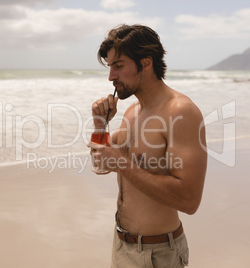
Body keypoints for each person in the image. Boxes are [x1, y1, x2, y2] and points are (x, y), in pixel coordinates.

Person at [88, 24, 207, 267]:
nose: (111, 77)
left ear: (145, 63)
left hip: (158, 253)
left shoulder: (180, 112)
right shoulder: (132, 112)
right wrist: (100, 125)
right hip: (122, 244)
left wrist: (122, 163)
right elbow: (101, 164)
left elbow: (189, 200)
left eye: (119, 66)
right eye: (110, 67)